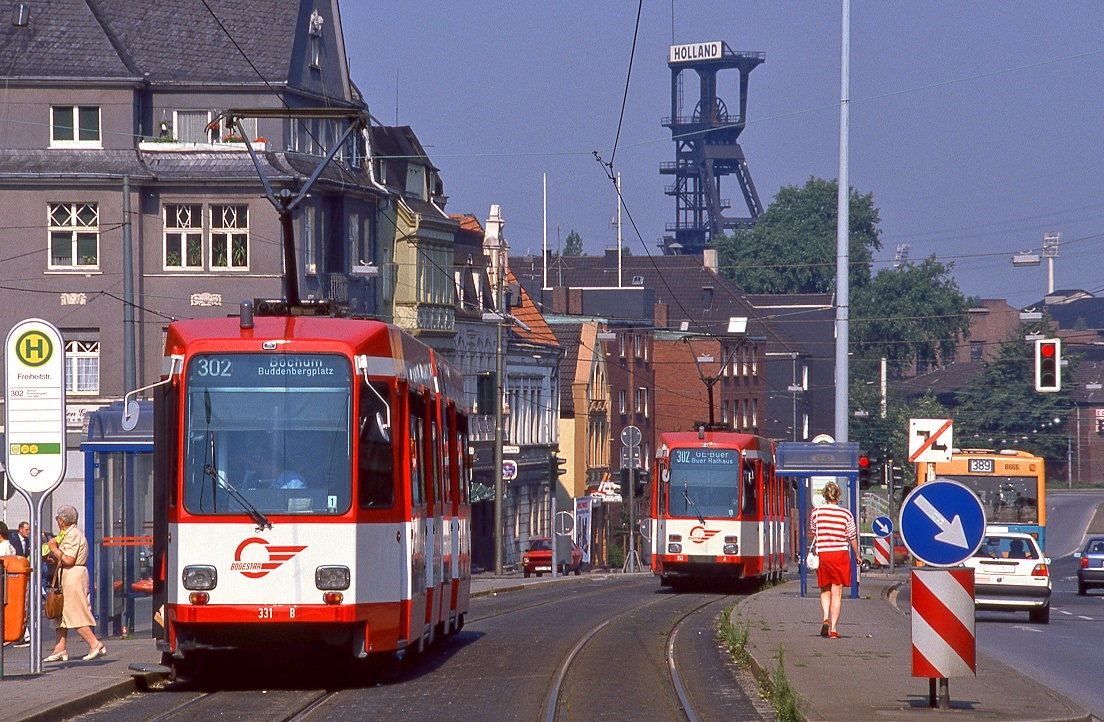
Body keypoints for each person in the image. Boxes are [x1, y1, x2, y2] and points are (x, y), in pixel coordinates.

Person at [43, 505, 106, 662]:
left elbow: (69, 559)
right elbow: (63, 558)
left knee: (75, 611)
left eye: (58, 519)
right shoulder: (67, 534)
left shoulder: (73, 535)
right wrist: (51, 557)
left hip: (74, 576)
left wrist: (54, 548)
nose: (57, 522)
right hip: (66, 575)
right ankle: (59, 648)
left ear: (62, 521)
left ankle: (94, 643)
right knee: (61, 612)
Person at [810, 481, 859, 640]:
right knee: (837, 593)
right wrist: (857, 555)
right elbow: (851, 536)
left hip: (823, 555)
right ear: (839, 496)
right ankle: (834, 629)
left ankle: (825, 617)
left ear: (824, 495)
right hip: (840, 555)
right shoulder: (846, 515)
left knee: (825, 589)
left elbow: (814, 530)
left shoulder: (816, 513)